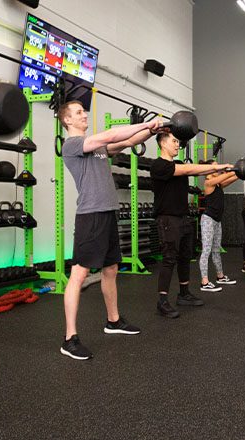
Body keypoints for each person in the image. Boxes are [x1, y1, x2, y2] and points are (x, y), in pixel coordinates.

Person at [57, 100, 163, 361]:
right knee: (79, 274)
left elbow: (125, 142)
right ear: (67, 120)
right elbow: (113, 134)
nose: (84, 114)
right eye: (79, 112)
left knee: (111, 268)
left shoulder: (99, 148)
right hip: (90, 216)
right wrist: (145, 123)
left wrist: (153, 130)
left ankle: (113, 321)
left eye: (84, 110)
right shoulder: (72, 145)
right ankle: (69, 338)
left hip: (107, 213)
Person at [151, 132, 233, 318]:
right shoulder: (159, 166)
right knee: (169, 258)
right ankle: (162, 301)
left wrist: (229, 171)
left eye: (178, 141)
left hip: (183, 217)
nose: (177, 144)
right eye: (173, 141)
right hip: (167, 218)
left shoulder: (179, 164)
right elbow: (189, 171)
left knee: (185, 256)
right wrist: (220, 166)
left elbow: (197, 170)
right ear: (162, 143)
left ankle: (184, 293)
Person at [198, 167, 238, 291]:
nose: (218, 169)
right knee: (206, 250)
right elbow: (227, 176)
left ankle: (220, 276)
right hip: (208, 220)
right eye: (215, 167)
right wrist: (235, 170)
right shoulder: (209, 183)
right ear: (209, 171)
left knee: (216, 250)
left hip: (217, 221)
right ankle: (204, 282)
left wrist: (244, 171)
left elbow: (232, 178)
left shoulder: (219, 184)